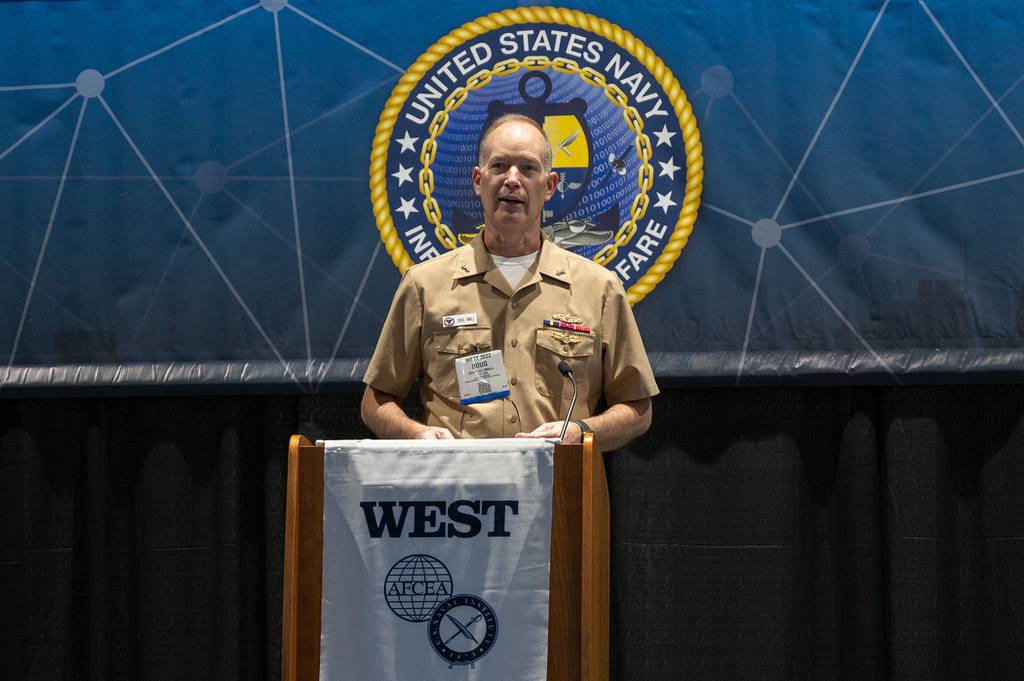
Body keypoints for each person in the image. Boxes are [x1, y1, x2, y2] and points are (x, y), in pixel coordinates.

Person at [361, 114, 658, 448]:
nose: (512, 180)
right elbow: (376, 400)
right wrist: (417, 435)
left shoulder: (599, 289)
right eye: (499, 166)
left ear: (549, 186)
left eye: (528, 168)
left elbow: (638, 408)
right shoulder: (425, 284)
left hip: (559, 491)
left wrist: (580, 431)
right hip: (455, 492)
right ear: (478, 180)